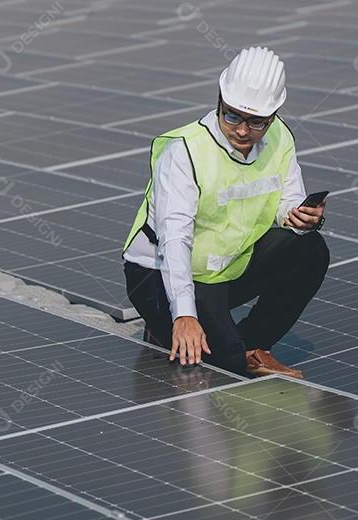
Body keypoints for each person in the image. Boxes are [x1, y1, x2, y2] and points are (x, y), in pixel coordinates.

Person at [123, 46, 329, 379]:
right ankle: (166, 324)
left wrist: (300, 217)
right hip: (159, 275)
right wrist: (183, 315)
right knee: (225, 369)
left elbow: (285, 202)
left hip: (224, 269)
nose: (243, 131)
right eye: (232, 115)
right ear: (219, 99)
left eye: (257, 121)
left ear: (275, 114)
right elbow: (174, 238)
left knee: (310, 248)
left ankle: (252, 344)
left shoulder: (280, 138)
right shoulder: (185, 151)